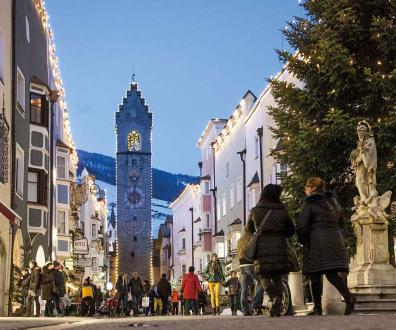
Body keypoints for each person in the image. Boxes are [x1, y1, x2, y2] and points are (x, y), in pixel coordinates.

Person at [297, 177, 356, 316]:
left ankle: (317, 307)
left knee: (314, 274)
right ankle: (348, 297)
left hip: (317, 241)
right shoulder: (332, 201)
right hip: (335, 239)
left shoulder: (310, 202)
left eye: (307, 186)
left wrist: (302, 239)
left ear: (313, 188)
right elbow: (340, 221)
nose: (305, 189)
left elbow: (303, 225)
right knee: (331, 273)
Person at [246, 184, 295, 317]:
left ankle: (274, 298)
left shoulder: (255, 210)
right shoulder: (283, 209)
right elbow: (291, 230)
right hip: (280, 245)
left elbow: (249, 229)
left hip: (262, 246)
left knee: (263, 275)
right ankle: (277, 302)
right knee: (278, 275)